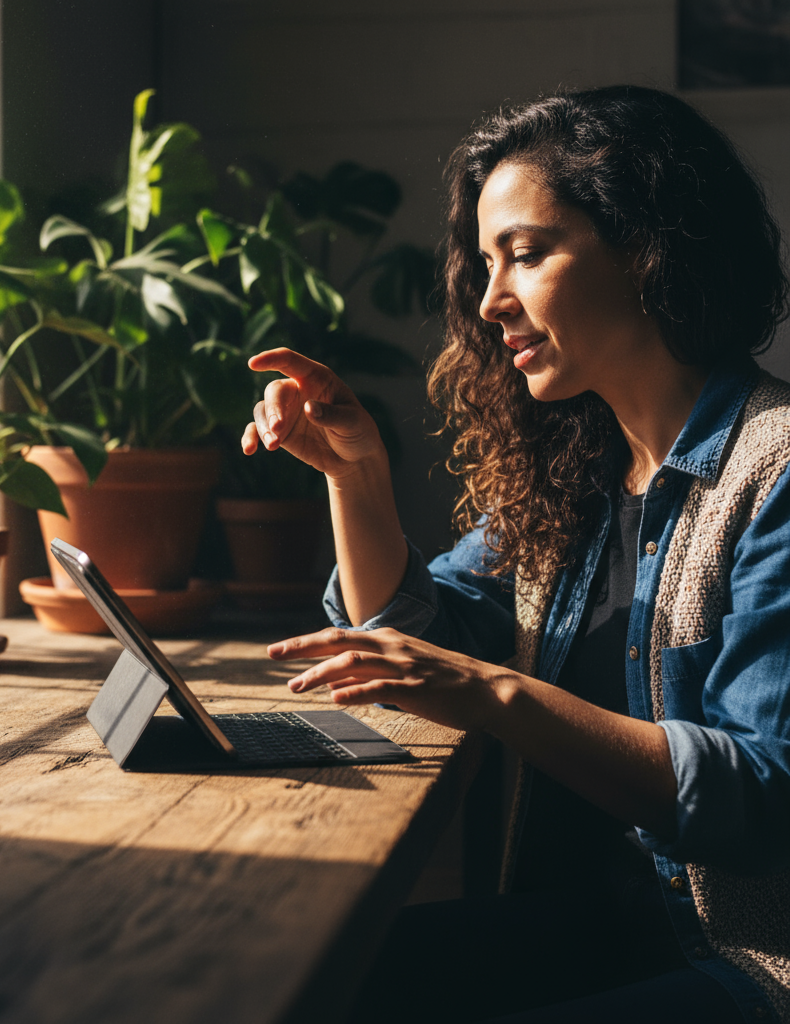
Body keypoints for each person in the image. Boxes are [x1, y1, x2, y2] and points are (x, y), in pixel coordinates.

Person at [241, 86, 790, 1023]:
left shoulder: (774, 467)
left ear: (649, 247)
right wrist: (354, 476)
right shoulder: (580, 475)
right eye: (487, 263)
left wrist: (495, 693)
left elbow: (761, 798)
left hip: (746, 964)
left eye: (526, 254)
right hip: (594, 927)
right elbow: (419, 641)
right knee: (301, 977)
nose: (492, 301)